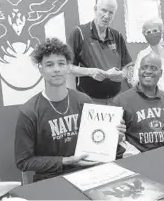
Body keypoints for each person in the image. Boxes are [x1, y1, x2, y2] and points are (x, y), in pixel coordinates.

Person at [14, 38, 126, 182]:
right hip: (50, 180)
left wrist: (115, 136)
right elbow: (23, 161)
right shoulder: (28, 112)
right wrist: (65, 161)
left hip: (88, 174)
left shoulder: (83, 101)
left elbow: (99, 142)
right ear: (40, 68)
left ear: (68, 67)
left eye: (61, 63)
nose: (56, 69)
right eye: (49, 64)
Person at [112, 53, 164, 153]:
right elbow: (111, 140)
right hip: (135, 159)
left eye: (153, 68)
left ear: (161, 73)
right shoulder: (121, 101)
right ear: (139, 71)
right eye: (144, 67)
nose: (148, 71)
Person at [68, 0, 132, 104]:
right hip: (89, 100)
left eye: (111, 12)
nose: (107, 16)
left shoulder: (117, 36)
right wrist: (89, 72)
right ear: (95, 9)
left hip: (115, 99)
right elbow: (67, 67)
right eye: (103, 10)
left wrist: (123, 74)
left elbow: (128, 66)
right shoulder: (79, 33)